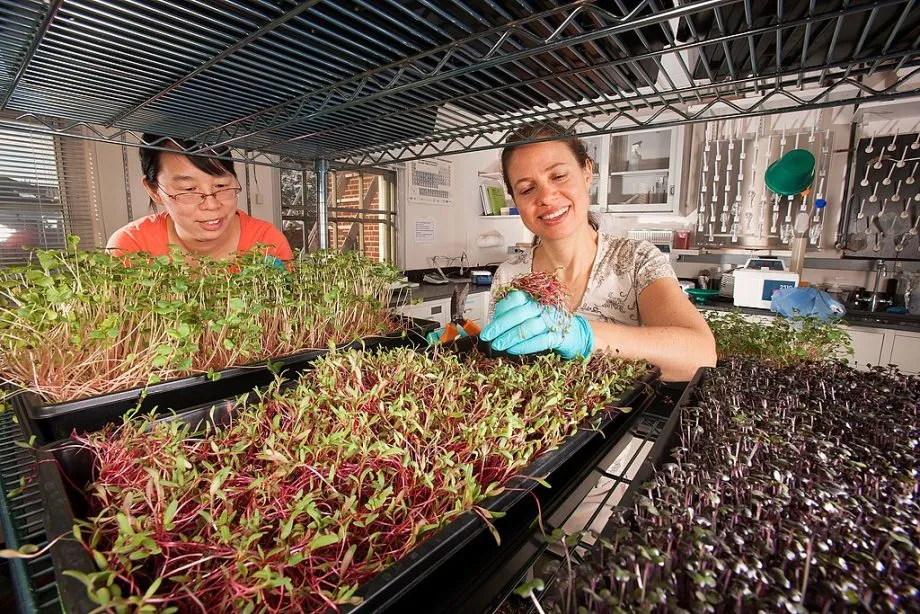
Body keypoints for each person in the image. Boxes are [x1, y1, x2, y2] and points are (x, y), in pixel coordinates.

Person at [480, 121, 716, 382]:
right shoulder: (509, 275)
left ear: (586, 173)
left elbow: (700, 354)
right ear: (516, 200)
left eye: (558, 176)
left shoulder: (636, 261)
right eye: (527, 189)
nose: (546, 196)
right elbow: (499, 365)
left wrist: (583, 335)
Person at [106, 135, 292, 261]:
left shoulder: (266, 241)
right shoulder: (131, 246)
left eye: (221, 186)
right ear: (154, 190)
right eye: (189, 189)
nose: (211, 205)